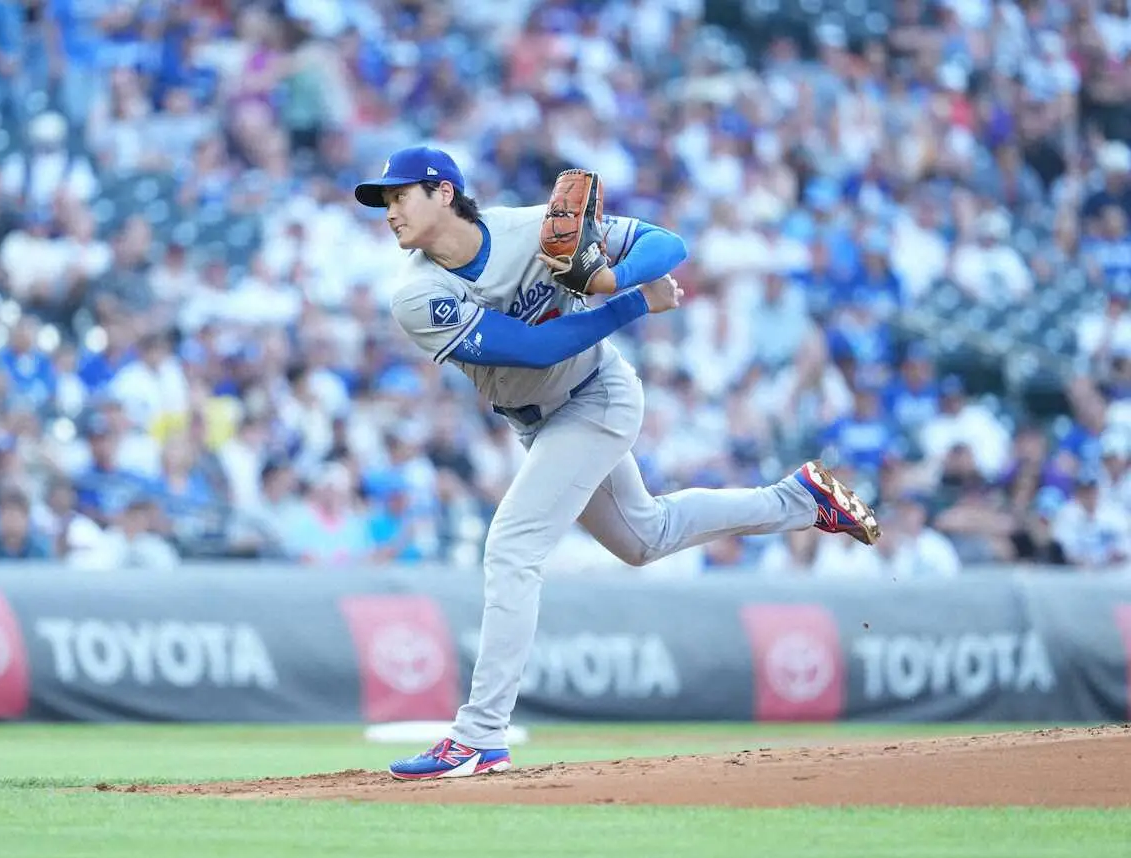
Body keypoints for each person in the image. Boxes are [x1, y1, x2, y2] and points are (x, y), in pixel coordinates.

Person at [354, 146, 881, 780]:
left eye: (400, 194)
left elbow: (667, 244)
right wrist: (630, 302)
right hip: (540, 417)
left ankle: (479, 735)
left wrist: (610, 278)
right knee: (644, 538)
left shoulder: (533, 227)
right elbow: (529, 347)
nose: (389, 211)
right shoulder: (417, 293)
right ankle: (801, 499)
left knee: (512, 548)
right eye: (384, 200)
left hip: (597, 396)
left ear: (444, 193)